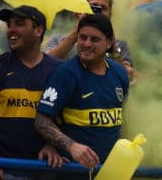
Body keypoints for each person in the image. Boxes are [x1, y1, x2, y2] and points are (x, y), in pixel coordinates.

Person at [35, 13, 129, 169]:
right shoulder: (65, 73)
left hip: (109, 170)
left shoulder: (119, 73)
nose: (87, 44)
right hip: (73, 170)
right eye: (83, 38)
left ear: (108, 43)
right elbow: (41, 121)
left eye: (94, 39)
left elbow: (122, 117)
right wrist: (71, 146)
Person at [0, 6, 64, 174]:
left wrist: (52, 144)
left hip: (44, 168)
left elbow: (68, 117)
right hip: (3, 170)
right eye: (9, 25)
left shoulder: (59, 70)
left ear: (38, 30)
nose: (11, 30)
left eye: (19, 24)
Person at [43, 0, 133, 80]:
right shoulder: (57, 40)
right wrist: (77, 29)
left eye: (103, 8)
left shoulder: (120, 45)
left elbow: (128, 78)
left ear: (110, 14)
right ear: (80, 11)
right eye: (93, 7)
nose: (98, 12)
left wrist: (113, 46)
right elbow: (44, 66)